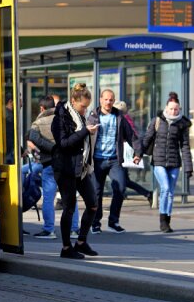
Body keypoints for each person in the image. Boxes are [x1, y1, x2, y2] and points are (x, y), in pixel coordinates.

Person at [51, 82, 100, 259]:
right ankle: (66, 248)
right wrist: (85, 132)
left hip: (82, 167)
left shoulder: (80, 118)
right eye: (82, 107)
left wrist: (88, 132)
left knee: (93, 204)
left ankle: (81, 242)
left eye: (87, 108)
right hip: (66, 168)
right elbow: (63, 143)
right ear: (73, 101)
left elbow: (81, 141)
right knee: (69, 208)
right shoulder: (60, 118)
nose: (85, 111)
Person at [137, 92, 192, 233]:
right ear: (166, 108)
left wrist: (188, 167)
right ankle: (162, 220)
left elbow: (185, 146)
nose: (173, 111)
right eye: (171, 108)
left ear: (179, 109)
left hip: (174, 163)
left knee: (171, 193)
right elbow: (147, 139)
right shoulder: (157, 121)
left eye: (176, 109)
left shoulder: (182, 124)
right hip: (159, 161)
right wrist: (138, 154)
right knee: (166, 188)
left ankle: (167, 219)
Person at [86, 89, 139, 234]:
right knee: (96, 193)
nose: (108, 102)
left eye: (111, 100)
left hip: (114, 159)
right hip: (97, 160)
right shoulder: (93, 117)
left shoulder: (119, 116)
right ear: (100, 100)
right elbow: (83, 137)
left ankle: (113, 221)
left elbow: (132, 136)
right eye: (106, 99)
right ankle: (95, 223)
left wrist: (137, 153)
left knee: (120, 188)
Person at [28, 95, 79, 239]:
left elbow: (33, 138)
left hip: (49, 163)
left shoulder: (38, 122)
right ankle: (74, 229)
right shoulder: (66, 119)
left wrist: (53, 149)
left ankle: (49, 229)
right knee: (70, 197)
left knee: (48, 198)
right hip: (67, 162)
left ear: (42, 108)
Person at [114, 100, 154, 204]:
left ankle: (147, 194)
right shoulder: (125, 118)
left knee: (122, 180)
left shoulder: (123, 119)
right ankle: (147, 194)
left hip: (122, 153)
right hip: (120, 153)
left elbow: (132, 136)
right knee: (125, 180)